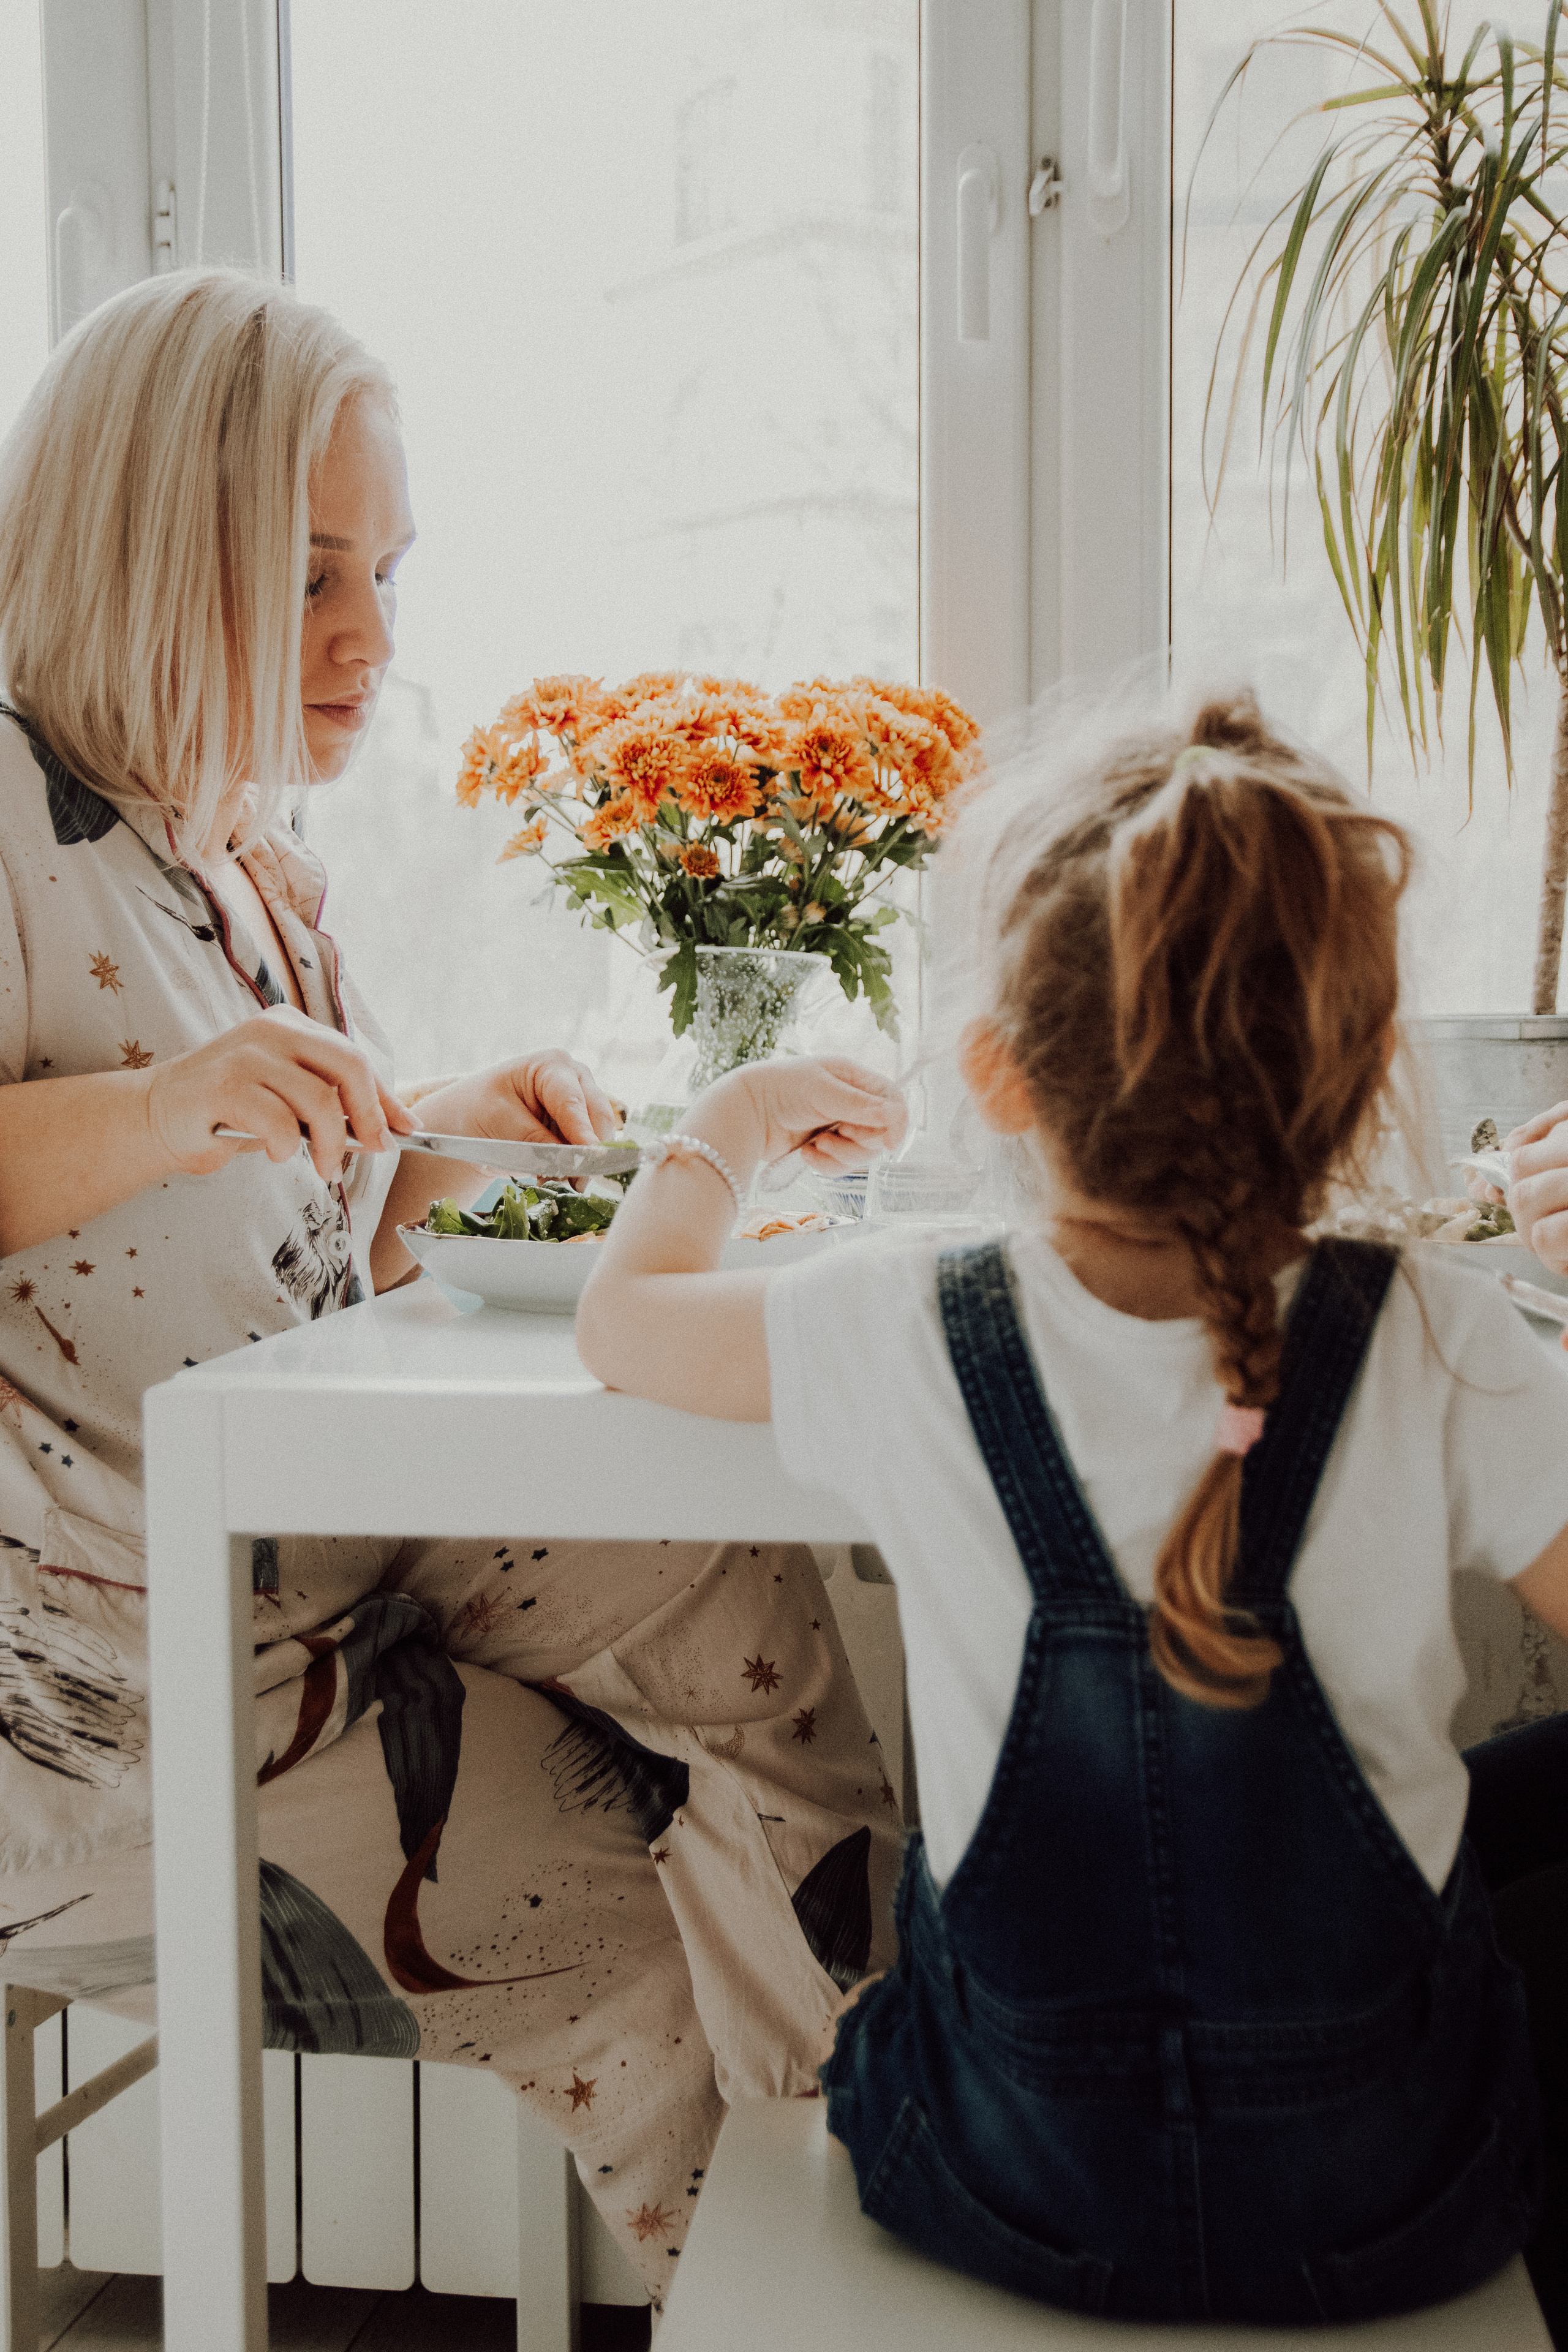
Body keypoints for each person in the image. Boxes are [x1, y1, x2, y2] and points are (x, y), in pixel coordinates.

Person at [0, 268, 902, 2311]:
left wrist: (427, 1143)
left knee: (733, 1582)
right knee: (609, 1895)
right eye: (310, 572)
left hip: (311, 1550)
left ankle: (882, 2158)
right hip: (110, 1685)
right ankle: (778, 2297)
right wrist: (168, 1105)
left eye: (387, 574)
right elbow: (148, 1146)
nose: (370, 643)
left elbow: (266, 1233)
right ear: (155, 547)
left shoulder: (235, 854)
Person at [578, 690, 1568, 2333]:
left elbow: (625, 1326)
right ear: (1359, 1068)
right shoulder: (1445, 1339)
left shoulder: (909, 1323)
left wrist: (737, 1115)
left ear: (1002, 1076)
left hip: (1004, 2185)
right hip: (1387, 2198)